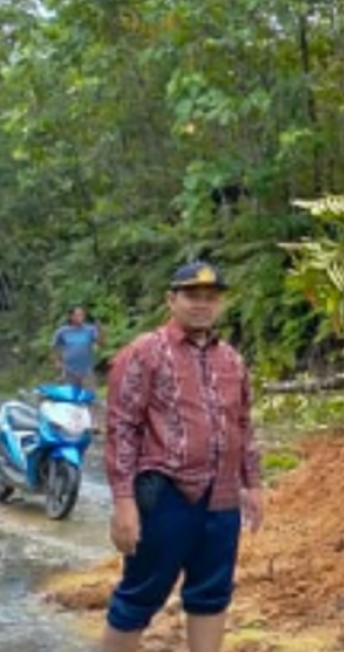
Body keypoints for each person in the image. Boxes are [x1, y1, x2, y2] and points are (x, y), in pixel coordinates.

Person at [102, 262, 263, 652]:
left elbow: (243, 423)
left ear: (220, 304)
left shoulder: (232, 360)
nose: (202, 305)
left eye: (211, 298)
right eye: (192, 296)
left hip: (222, 497)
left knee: (212, 592)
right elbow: (122, 427)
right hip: (165, 493)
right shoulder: (144, 352)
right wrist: (124, 503)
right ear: (171, 300)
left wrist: (253, 485)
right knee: (141, 593)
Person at [53, 305, 99, 386]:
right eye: (78, 315)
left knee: (89, 397)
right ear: (71, 317)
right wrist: (57, 360)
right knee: (69, 397)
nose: (81, 317)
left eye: (82, 315)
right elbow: (56, 346)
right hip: (69, 370)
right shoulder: (62, 331)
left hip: (87, 370)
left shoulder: (90, 329)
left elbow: (100, 342)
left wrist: (101, 330)